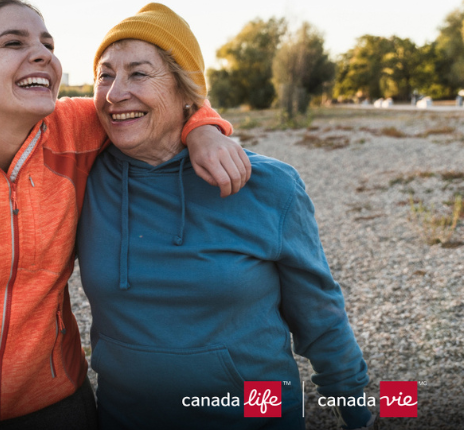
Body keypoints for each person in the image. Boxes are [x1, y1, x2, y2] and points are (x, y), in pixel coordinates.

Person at [0, 1, 248, 429]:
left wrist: (204, 131)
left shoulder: (77, 128)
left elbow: (167, 101)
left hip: (61, 404)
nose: (43, 53)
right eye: (14, 42)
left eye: (48, 43)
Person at [75, 4, 375, 430]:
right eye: (105, 74)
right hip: (127, 418)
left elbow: (320, 314)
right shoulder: (82, 179)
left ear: (186, 93)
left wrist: (356, 410)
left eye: (138, 73)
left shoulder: (269, 186)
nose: (114, 92)